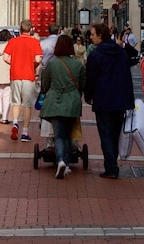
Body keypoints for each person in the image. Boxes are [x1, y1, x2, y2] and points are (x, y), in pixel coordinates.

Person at [84, 22, 135, 179]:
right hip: (120, 99)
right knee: (114, 133)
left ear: (100, 35)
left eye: (93, 34)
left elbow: (90, 78)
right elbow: (127, 73)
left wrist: (88, 95)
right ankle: (112, 163)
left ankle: (111, 167)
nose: (90, 37)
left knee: (105, 133)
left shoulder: (96, 54)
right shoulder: (120, 52)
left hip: (104, 99)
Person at [40, 35, 86, 180]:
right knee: (67, 135)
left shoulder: (52, 64)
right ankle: (66, 164)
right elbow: (83, 85)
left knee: (58, 134)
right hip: (72, 102)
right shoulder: (78, 64)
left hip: (55, 101)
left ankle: (59, 160)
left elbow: (45, 85)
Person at [4, 19, 43, 142]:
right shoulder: (34, 42)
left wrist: (14, 62)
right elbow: (38, 59)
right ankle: (25, 132)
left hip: (15, 75)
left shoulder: (13, 41)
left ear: (20, 29)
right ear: (31, 29)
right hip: (28, 75)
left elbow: (5, 57)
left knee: (15, 102)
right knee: (27, 105)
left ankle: (15, 122)